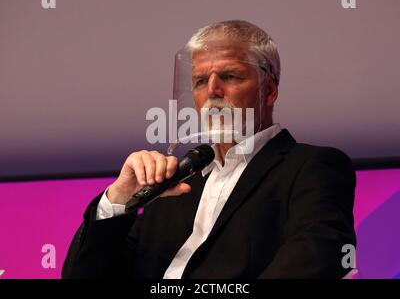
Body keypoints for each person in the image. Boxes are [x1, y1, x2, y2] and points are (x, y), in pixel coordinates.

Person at [62, 20, 356, 279]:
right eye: (200, 81)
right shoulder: (174, 185)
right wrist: (118, 199)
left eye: (230, 76)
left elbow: (319, 256)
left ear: (269, 90)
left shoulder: (312, 167)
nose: (212, 90)